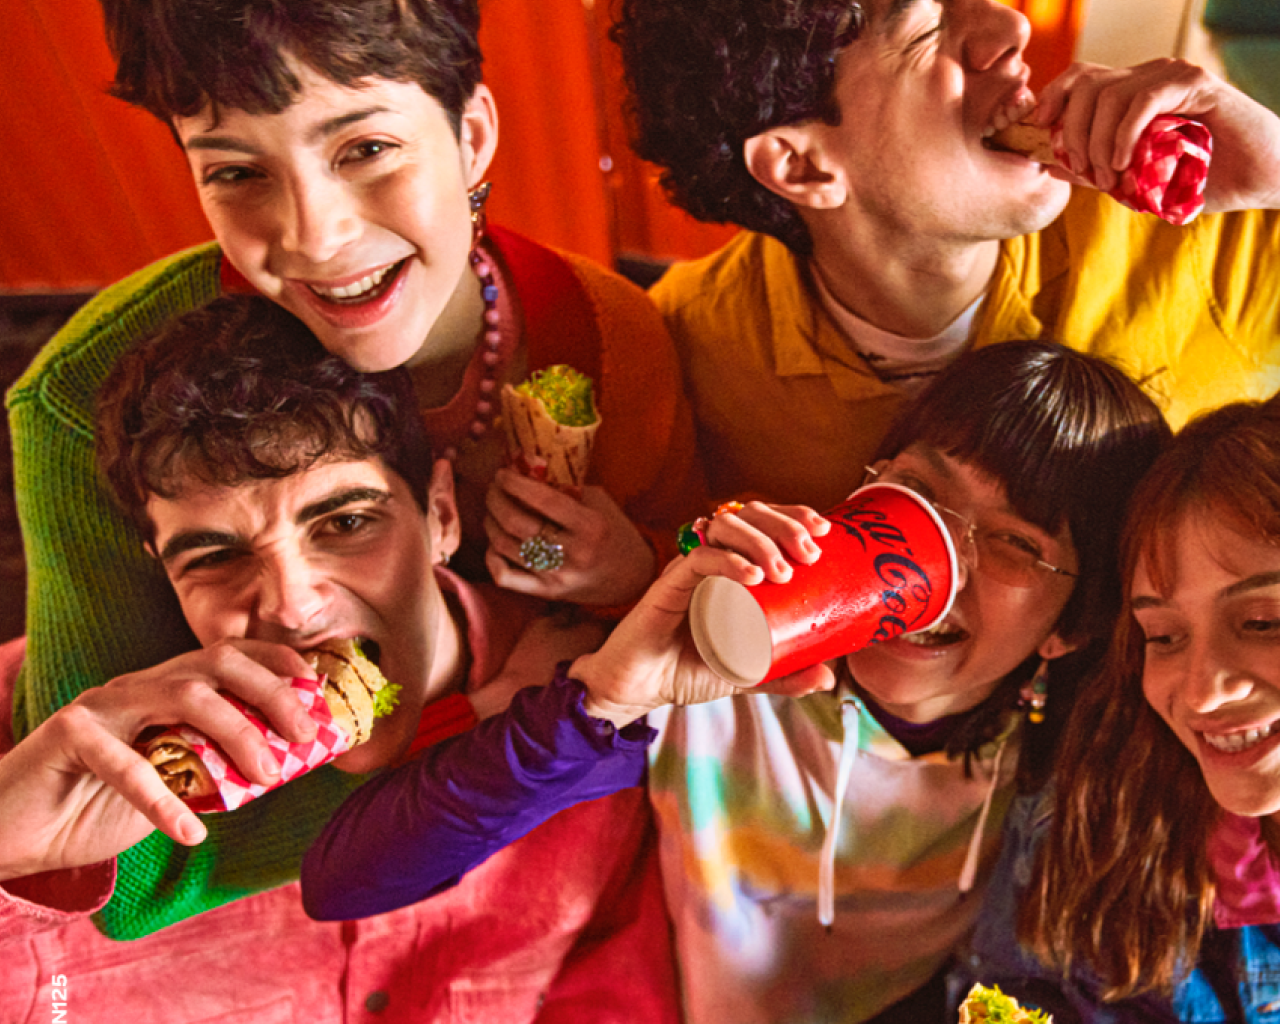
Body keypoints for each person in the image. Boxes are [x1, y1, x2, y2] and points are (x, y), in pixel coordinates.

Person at [6, 0, 703, 937]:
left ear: (472, 135)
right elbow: (128, 865)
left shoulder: (617, 343)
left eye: (366, 148)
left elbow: (663, 613)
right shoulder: (77, 397)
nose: (315, 237)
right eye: (236, 170)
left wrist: (613, 575)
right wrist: (495, 729)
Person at [299, 341, 1171, 1023]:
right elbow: (344, 880)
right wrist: (610, 681)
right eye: (917, 496)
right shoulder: (722, 690)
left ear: (1074, 627)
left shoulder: (1065, 772)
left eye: (1017, 544)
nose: (945, 556)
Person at [0, 293, 779, 1021]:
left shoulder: (597, 712)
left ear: (441, 513)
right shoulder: (49, 753)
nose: (294, 608)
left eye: (344, 523)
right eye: (213, 557)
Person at [612, 0, 1280, 512]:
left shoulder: (1200, 226)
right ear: (803, 165)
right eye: (928, 28)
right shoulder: (681, 356)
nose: (1008, 27)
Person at [959, 396, 1280, 1023]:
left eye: (1263, 621)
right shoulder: (1097, 808)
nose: (1200, 693)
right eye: (1163, 636)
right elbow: (1006, 991)